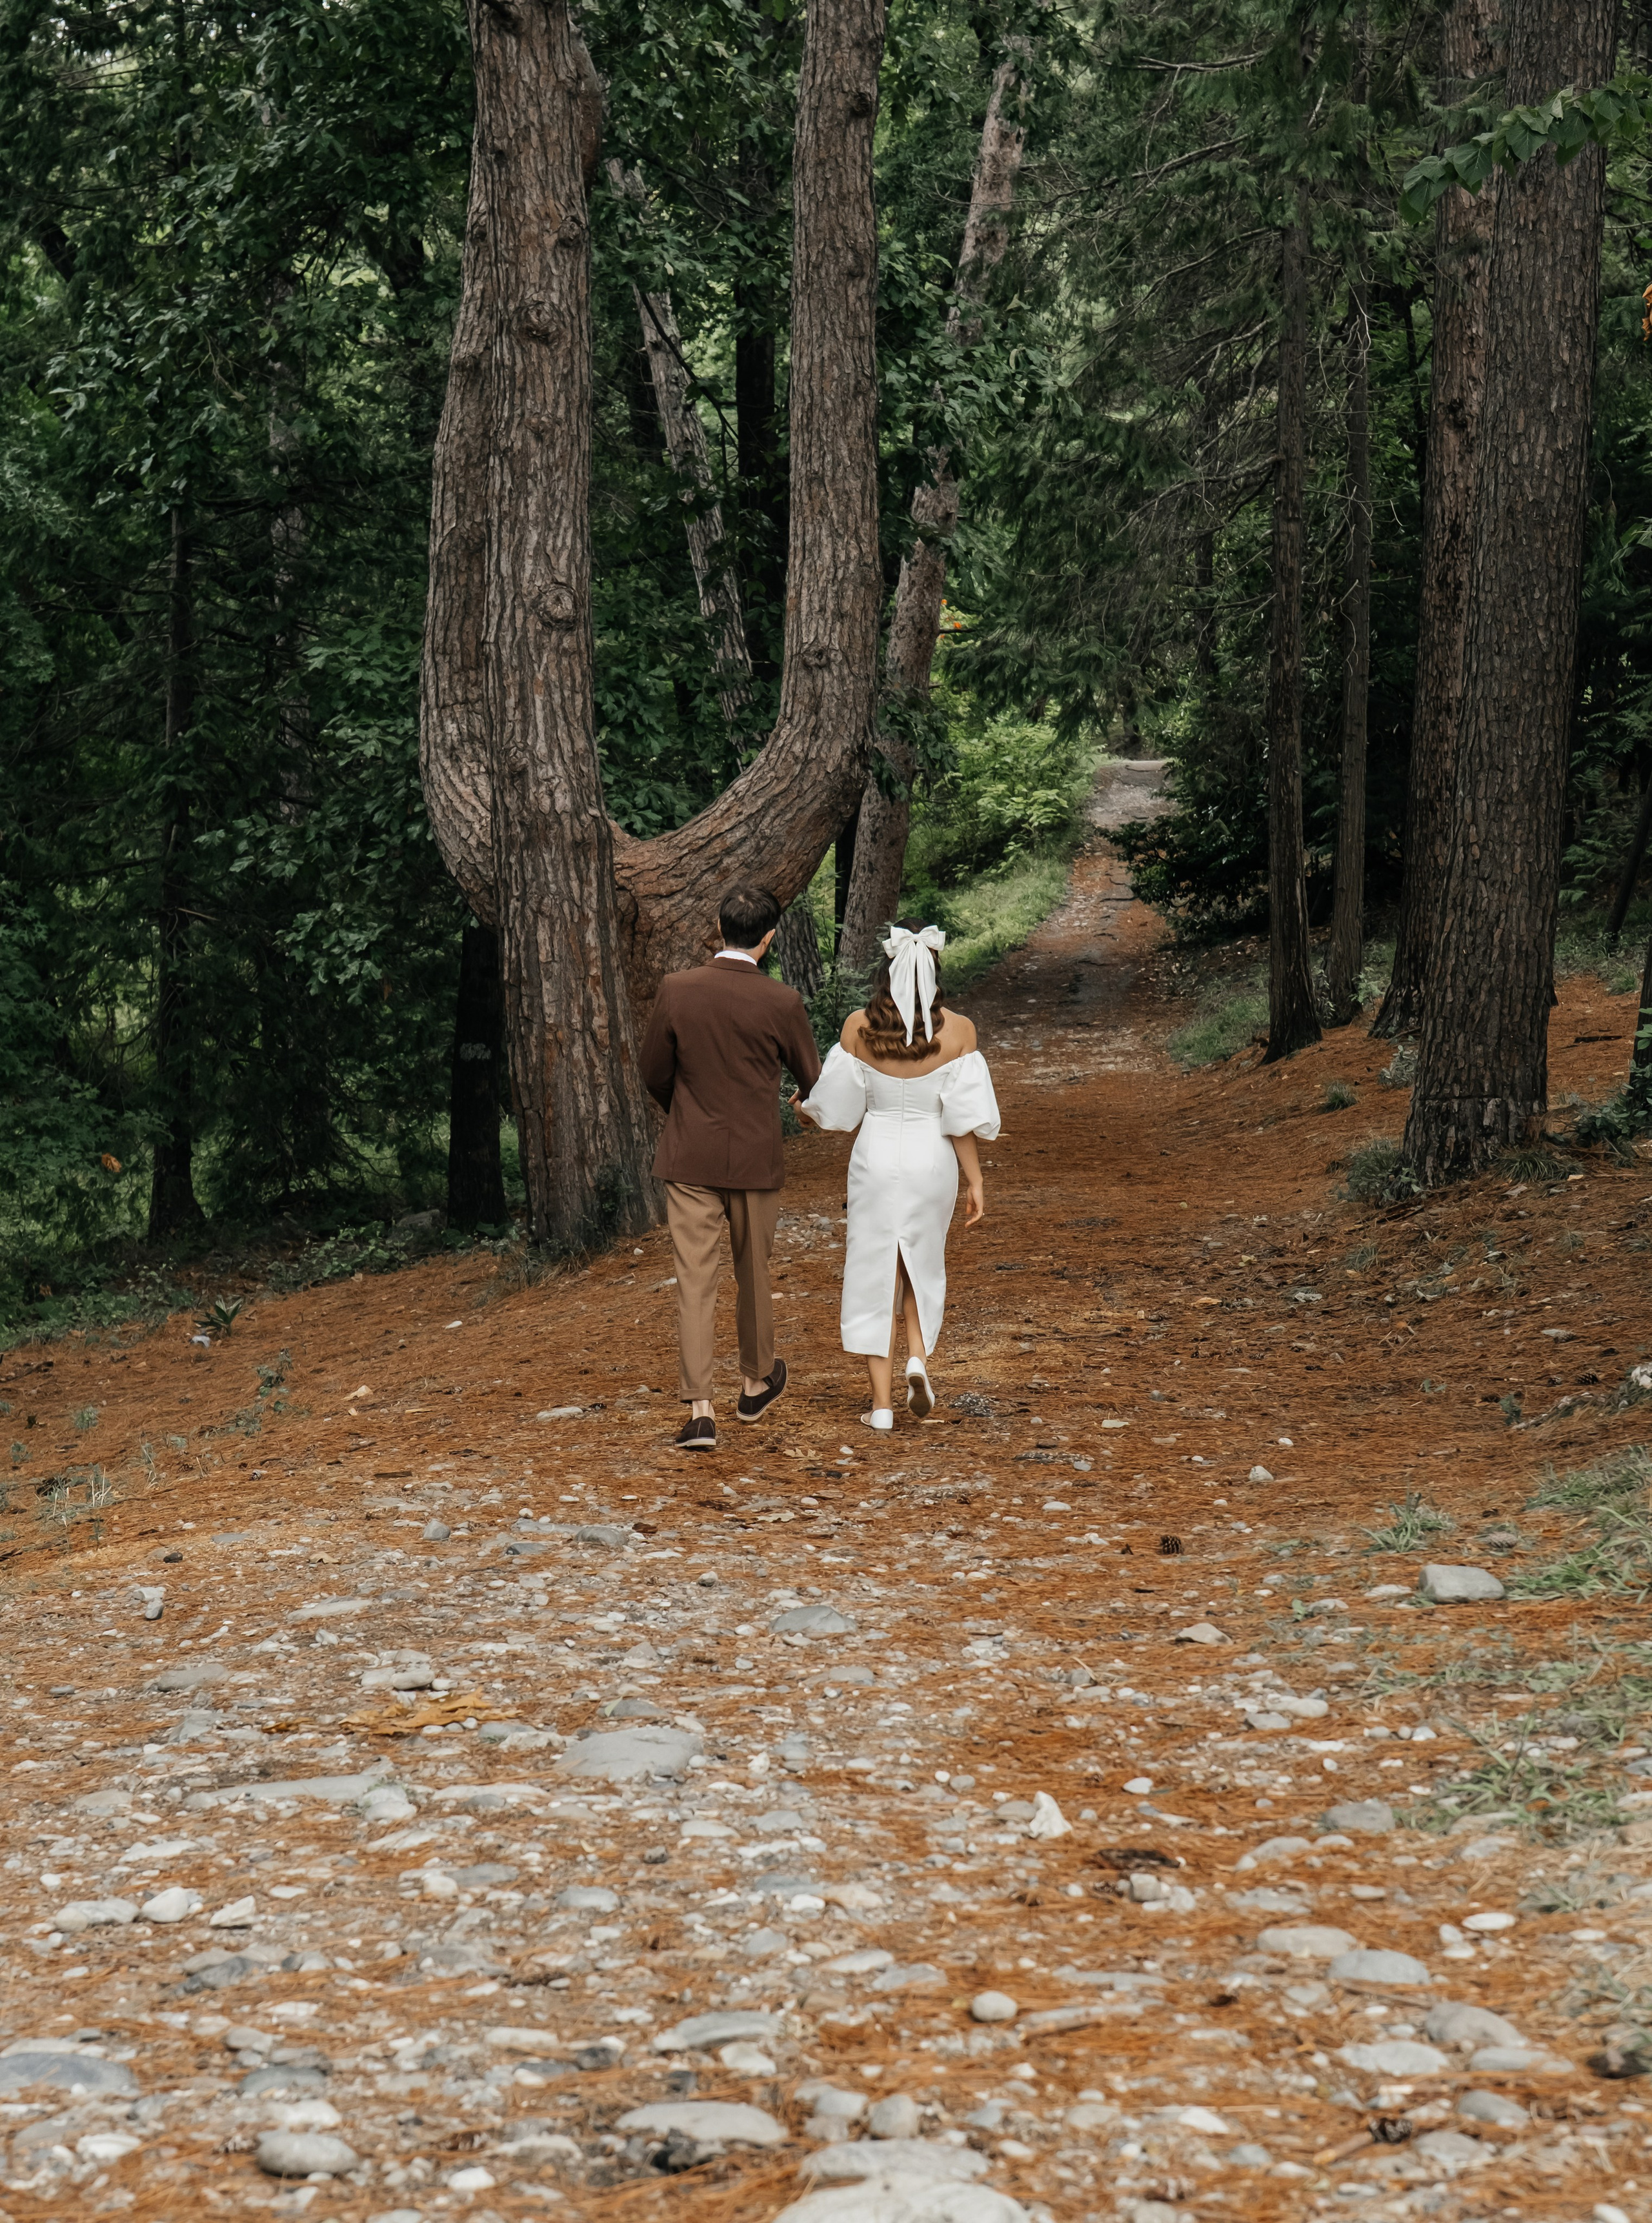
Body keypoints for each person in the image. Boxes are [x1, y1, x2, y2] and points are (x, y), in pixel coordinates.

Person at [640, 882, 823, 1450]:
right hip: (755, 1155)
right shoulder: (782, 1002)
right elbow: (813, 1081)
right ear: (768, 939)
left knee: (695, 1281)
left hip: (689, 1155)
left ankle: (700, 1411)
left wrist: (688, 1114)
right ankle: (755, 1380)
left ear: (719, 928)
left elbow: (653, 1072)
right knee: (754, 1273)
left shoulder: (677, 989)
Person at [797, 923, 1000, 1429]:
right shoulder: (959, 1031)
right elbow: (961, 1121)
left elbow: (835, 1111)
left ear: (887, 974)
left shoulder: (857, 1028)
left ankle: (882, 1407)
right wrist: (975, 1181)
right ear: (934, 974)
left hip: (877, 1155)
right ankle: (917, 1357)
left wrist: (804, 1110)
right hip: (933, 1158)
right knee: (919, 1263)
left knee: (874, 1271)